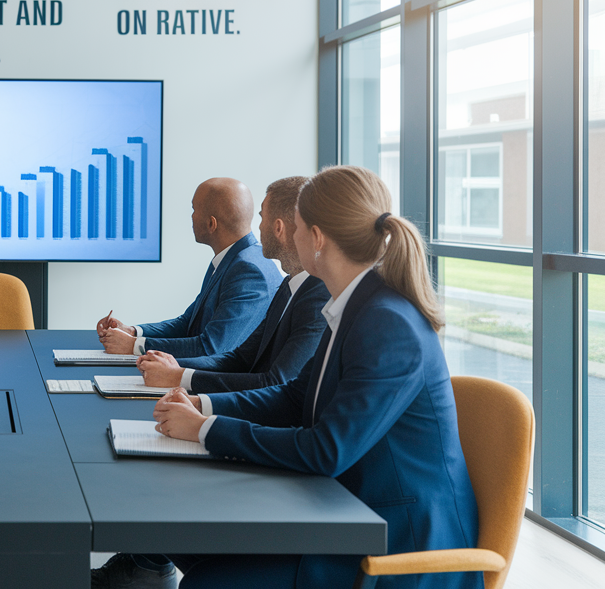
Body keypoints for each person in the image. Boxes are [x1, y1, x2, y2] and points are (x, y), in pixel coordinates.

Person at [100, 165, 481, 589]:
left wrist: (207, 429)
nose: (286, 236)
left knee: (207, 579)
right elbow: (296, 395)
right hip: (341, 510)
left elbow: (328, 449)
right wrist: (201, 407)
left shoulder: (387, 324)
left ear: (316, 237)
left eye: (295, 226)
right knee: (180, 535)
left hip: (391, 538)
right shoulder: (357, 306)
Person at [136, 176, 329, 393]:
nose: (257, 228)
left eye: (261, 217)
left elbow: (274, 382)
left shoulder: (315, 295)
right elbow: (240, 358)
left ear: (278, 228)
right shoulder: (289, 285)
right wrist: (172, 368)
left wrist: (180, 377)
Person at [97, 178, 282, 358]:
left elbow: (211, 347)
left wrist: (134, 346)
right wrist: (132, 332)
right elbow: (187, 323)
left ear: (212, 223)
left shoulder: (249, 272)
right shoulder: (232, 261)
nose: (191, 217)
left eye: (194, 209)